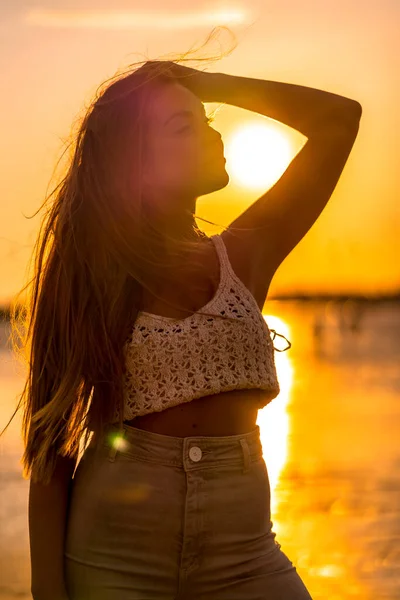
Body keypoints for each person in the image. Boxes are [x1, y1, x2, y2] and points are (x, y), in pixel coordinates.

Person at [9, 43, 361, 600]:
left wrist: (205, 84)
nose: (213, 135)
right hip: (115, 552)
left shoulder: (246, 254)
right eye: (184, 126)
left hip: (245, 553)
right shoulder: (89, 275)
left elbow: (340, 120)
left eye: (209, 120)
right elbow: (50, 442)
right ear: (136, 159)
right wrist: (47, 592)